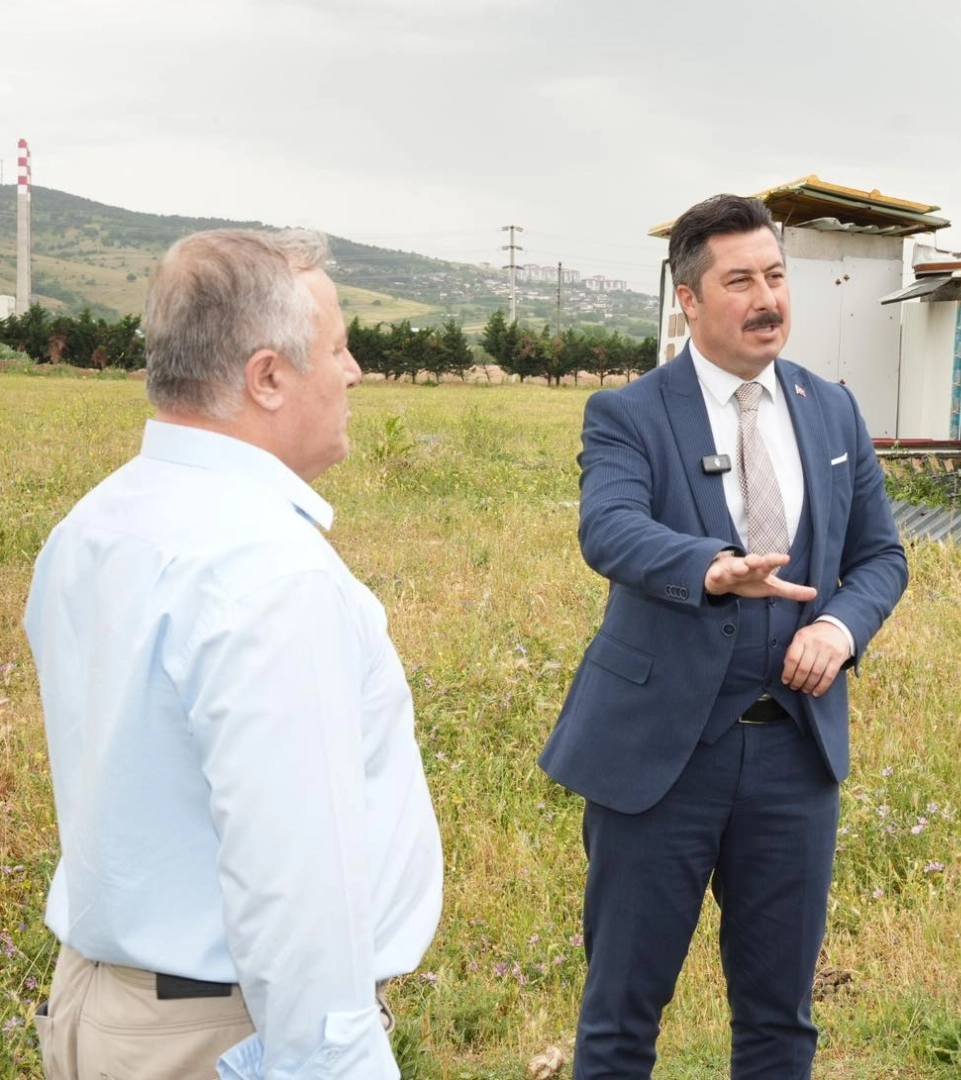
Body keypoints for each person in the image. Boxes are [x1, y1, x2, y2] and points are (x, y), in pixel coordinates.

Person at [25, 229, 442, 1079]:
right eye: (338, 347)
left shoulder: (94, 523)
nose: (355, 370)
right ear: (268, 377)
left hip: (105, 1008)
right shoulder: (269, 572)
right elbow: (291, 886)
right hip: (222, 1030)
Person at [540, 193, 908, 1079]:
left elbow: (881, 557)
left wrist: (840, 627)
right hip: (661, 759)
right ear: (689, 299)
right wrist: (710, 566)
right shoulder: (629, 413)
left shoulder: (831, 411)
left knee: (780, 1021)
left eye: (776, 275)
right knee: (621, 1017)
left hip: (793, 757)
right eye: (740, 281)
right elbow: (609, 527)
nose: (767, 298)